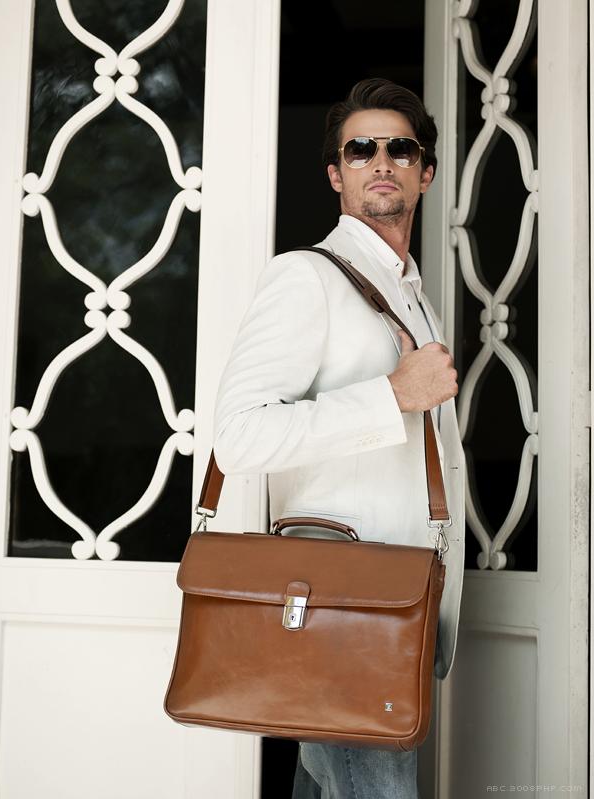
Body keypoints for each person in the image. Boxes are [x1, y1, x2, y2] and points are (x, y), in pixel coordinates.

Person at [213, 78, 465, 799]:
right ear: (336, 174)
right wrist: (391, 395)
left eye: (400, 148)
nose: (381, 161)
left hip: (397, 607)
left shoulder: (414, 296)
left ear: (425, 172)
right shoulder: (304, 278)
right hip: (340, 613)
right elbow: (237, 437)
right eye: (360, 150)